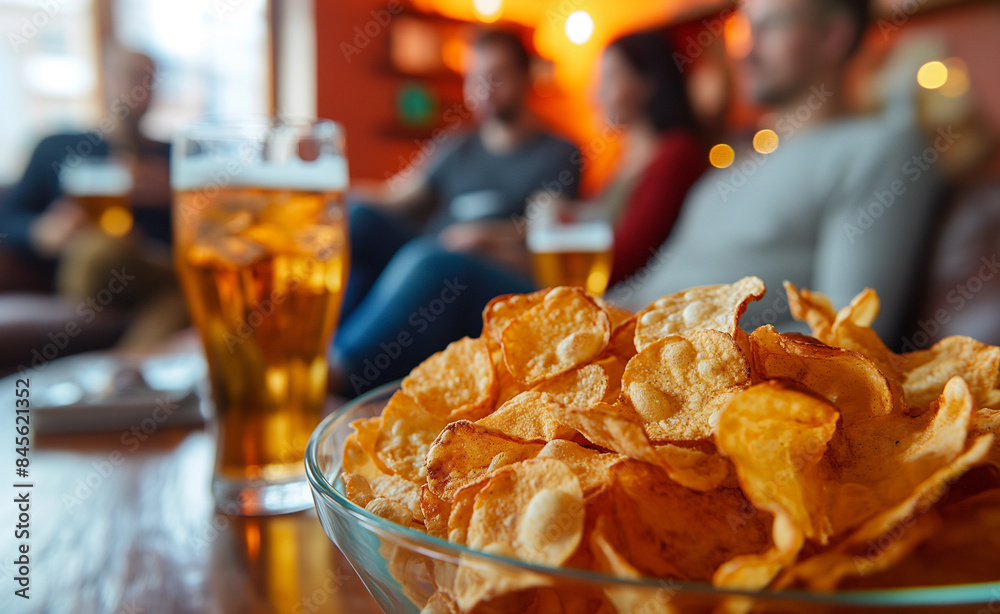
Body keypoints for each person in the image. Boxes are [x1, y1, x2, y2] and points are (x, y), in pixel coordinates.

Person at [332, 31, 708, 395]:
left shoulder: (670, 155)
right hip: (477, 251)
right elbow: (397, 196)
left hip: (544, 282)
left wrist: (491, 240)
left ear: (649, 83)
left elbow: (619, 256)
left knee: (434, 262)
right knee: (361, 219)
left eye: (609, 78)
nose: (595, 91)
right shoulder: (626, 159)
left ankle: (339, 369)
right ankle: (321, 351)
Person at [609, 0, 944, 346]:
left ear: (832, 35)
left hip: (691, 379)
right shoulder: (724, 175)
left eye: (769, 27)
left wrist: (688, 357)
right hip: (624, 355)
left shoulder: (878, 151)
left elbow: (850, 337)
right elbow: (652, 284)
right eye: (745, 30)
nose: (745, 51)